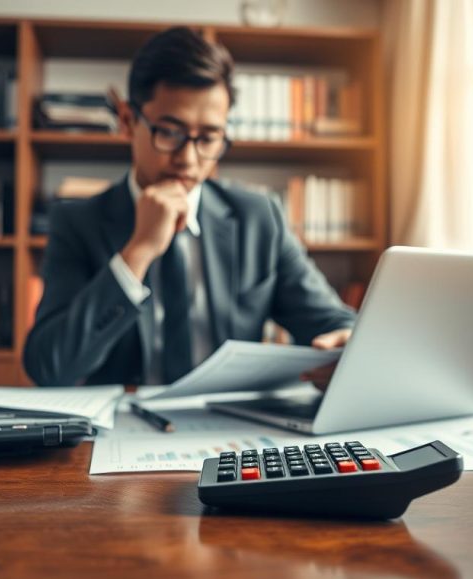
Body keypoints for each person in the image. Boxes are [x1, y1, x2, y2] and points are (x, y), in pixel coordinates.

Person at [23, 26, 355, 389]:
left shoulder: (259, 218)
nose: (188, 158)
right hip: (125, 430)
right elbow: (48, 367)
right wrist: (138, 252)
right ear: (128, 122)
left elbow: (333, 322)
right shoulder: (77, 222)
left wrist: (347, 338)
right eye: (169, 132)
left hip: (229, 431)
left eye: (208, 138)